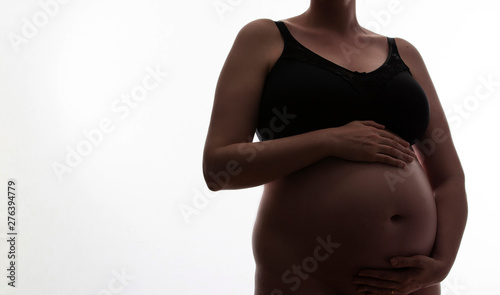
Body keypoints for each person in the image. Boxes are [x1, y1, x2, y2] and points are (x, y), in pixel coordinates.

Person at [202, 0, 468, 294]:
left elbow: (448, 178)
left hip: (408, 284)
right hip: (304, 274)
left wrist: (441, 265)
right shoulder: (265, 38)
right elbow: (219, 169)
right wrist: (329, 141)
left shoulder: (404, 53)